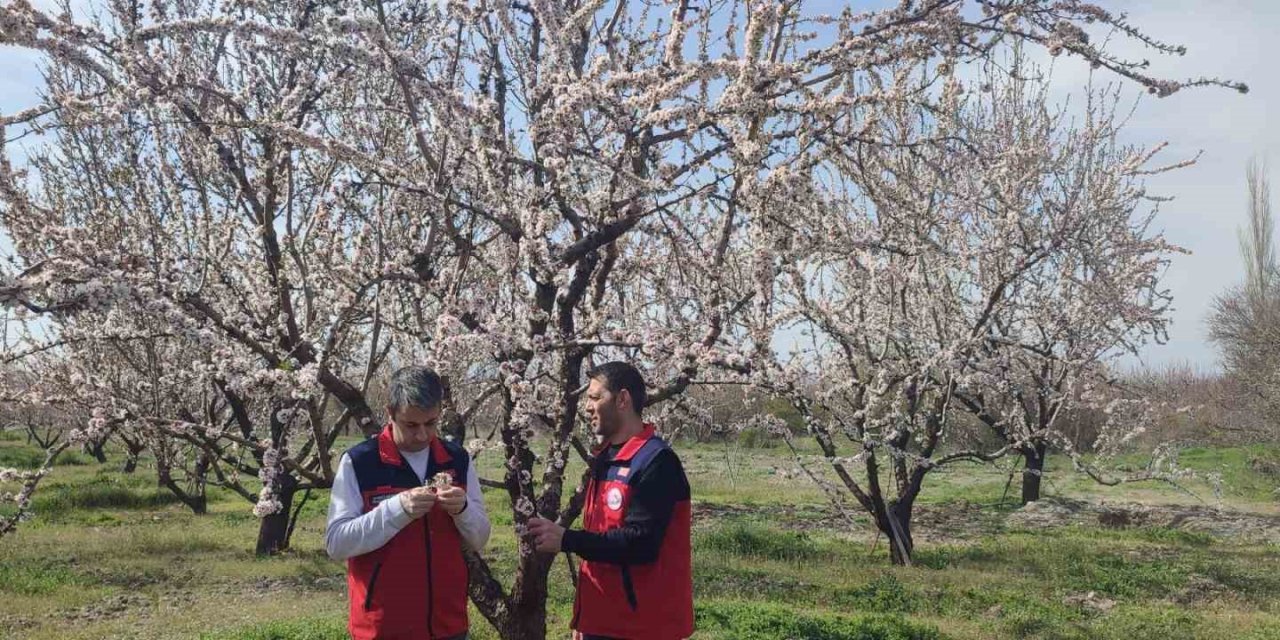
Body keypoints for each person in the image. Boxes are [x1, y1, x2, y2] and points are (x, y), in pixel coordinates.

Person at [528, 361, 694, 640]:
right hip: (603, 622)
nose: (587, 407)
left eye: (594, 397)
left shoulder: (656, 462)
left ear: (622, 399)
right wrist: (586, 617)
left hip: (642, 627)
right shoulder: (606, 457)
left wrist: (567, 539)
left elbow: (641, 544)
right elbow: (600, 537)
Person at [325, 366, 490, 640]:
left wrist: (463, 510)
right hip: (383, 627)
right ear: (390, 413)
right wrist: (397, 509)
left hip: (448, 626)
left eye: (431, 423)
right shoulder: (360, 462)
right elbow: (337, 543)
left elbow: (480, 538)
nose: (423, 435)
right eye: (411, 425)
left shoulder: (457, 459)